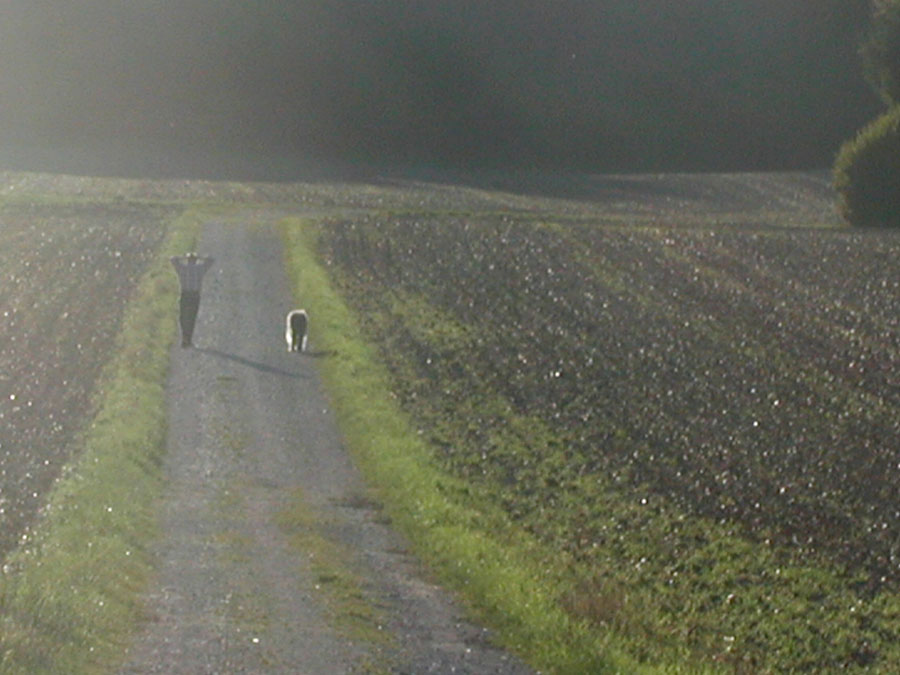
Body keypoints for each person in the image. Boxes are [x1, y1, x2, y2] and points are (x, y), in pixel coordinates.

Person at [170, 252, 214, 347]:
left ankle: (185, 337)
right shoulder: (200, 269)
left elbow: (172, 259)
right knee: (192, 317)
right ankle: (188, 339)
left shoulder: (182, 268)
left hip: (185, 294)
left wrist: (183, 257)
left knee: (183, 317)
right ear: (195, 261)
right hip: (195, 295)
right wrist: (200, 257)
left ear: (188, 261)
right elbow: (211, 260)